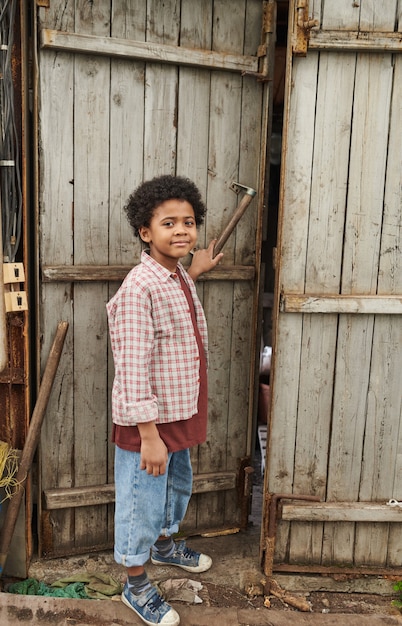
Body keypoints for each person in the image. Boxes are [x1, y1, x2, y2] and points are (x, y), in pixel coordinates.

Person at [106, 175, 223, 626]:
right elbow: (132, 368)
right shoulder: (139, 287)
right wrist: (149, 436)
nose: (181, 231)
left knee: (176, 483)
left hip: (178, 409)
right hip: (149, 423)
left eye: (188, 222)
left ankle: (164, 545)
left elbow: (175, 296)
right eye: (168, 223)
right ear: (145, 231)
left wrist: (195, 270)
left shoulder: (174, 276)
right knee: (142, 498)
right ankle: (135, 582)